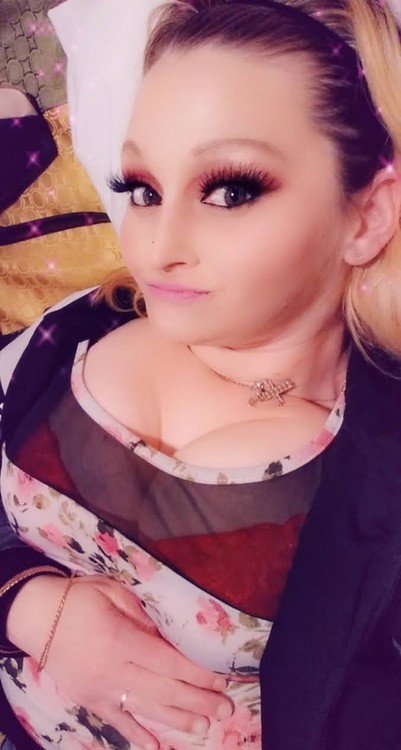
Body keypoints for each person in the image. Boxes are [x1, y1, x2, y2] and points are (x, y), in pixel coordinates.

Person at [1, 0, 401, 748]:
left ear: (367, 216)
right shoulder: (80, 327)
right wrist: (28, 605)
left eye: (229, 190)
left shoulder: (381, 469)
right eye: (144, 189)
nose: (158, 246)